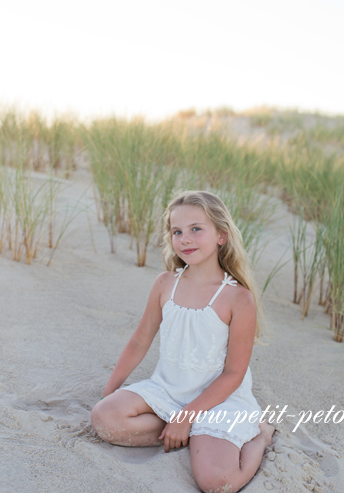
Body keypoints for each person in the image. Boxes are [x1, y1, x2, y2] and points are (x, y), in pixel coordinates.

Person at [91, 190, 275, 493]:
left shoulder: (238, 298)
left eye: (196, 229)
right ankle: (184, 430)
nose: (185, 239)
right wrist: (108, 393)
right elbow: (139, 341)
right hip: (167, 390)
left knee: (217, 483)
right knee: (105, 418)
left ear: (221, 235)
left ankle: (260, 435)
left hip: (218, 401)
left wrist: (189, 415)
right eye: (177, 231)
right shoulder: (165, 284)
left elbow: (234, 373)